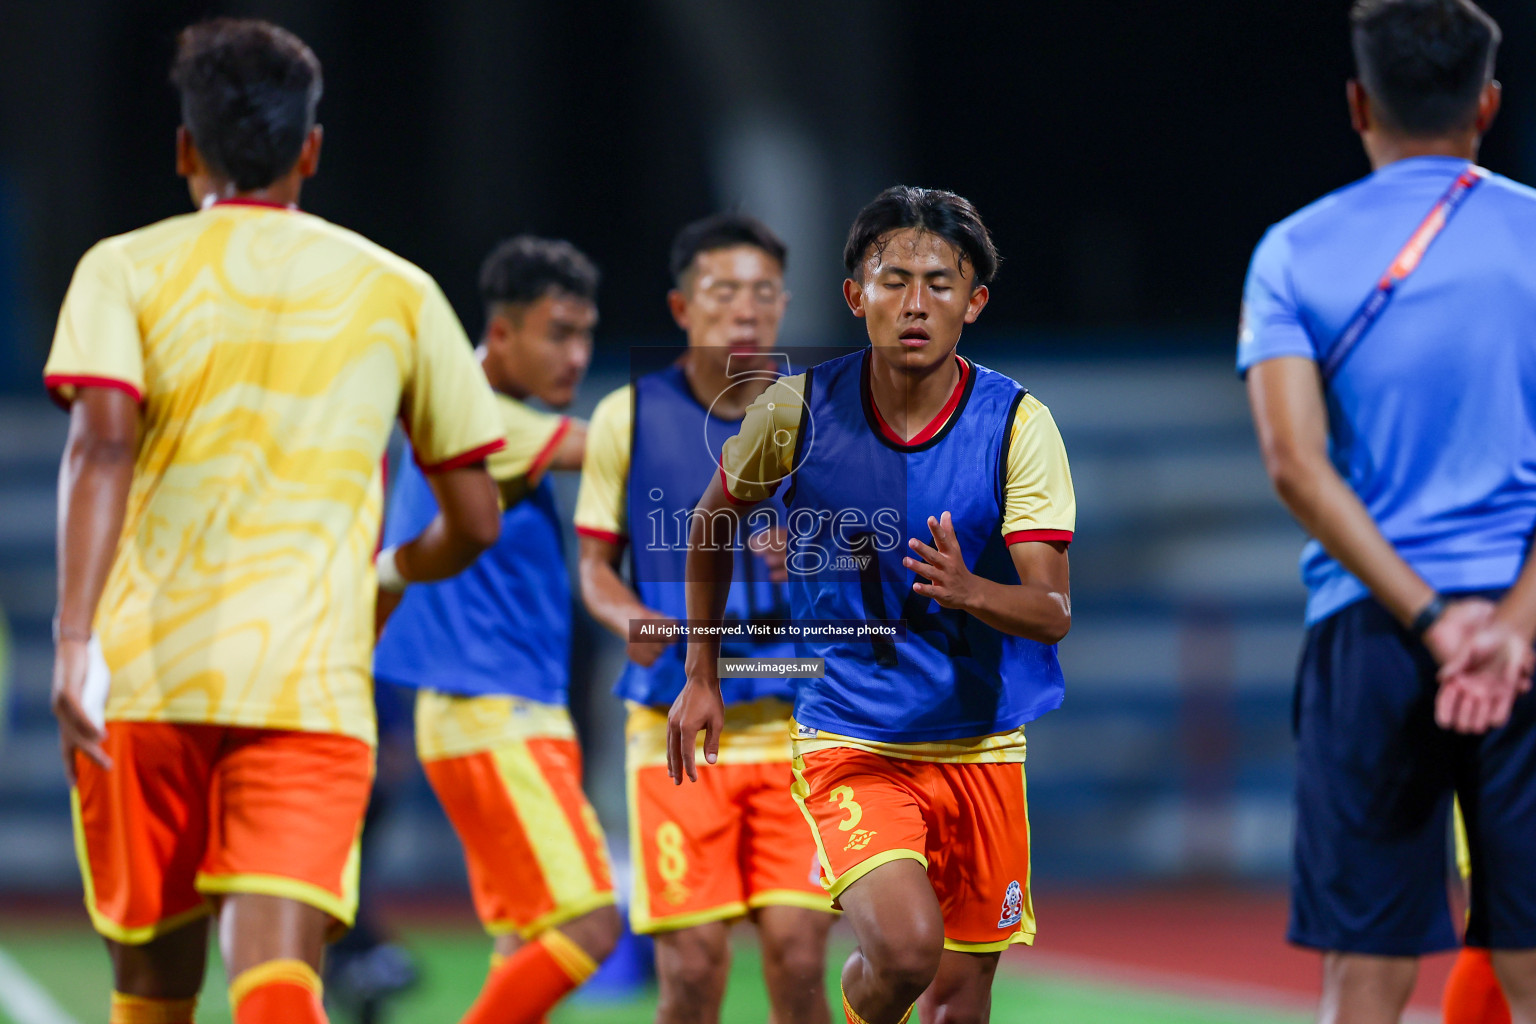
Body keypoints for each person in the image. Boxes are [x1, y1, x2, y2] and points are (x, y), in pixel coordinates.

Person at [45, 19, 505, 1024]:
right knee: (276, 961)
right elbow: (476, 515)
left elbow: (102, 446)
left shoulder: (120, 268)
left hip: (147, 674)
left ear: (183, 150)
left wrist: (74, 637)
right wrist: (387, 575)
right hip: (309, 682)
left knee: (153, 983)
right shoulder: (399, 290)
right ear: (312, 150)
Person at [668, 186, 1076, 1024]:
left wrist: (972, 592)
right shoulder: (796, 410)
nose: (915, 303)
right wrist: (699, 673)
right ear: (856, 297)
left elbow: (1051, 611)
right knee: (902, 952)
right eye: (893, 281)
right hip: (854, 739)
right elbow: (710, 524)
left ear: (976, 302)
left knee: (959, 1006)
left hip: (981, 744)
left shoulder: (1017, 426)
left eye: (939, 282)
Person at [1238, 1, 1536, 1021]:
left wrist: (1429, 618)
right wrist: (1502, 629)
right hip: (1528, 634)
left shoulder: (1291, 251)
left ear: (1358, 103)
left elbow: (1294, 464)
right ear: (1487, 104)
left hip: (1369, 631)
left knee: (1365, 974)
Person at [574, 214, 834, 1024]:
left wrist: (827, 557)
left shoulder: (825, 421)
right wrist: (637, 622)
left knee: (797, 960)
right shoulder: (629, 417)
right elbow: (594, 568)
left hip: (797, 723)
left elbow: (877, 567)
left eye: (763, 294)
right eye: (724, 293)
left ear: (785, 306)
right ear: (682, 308)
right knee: (692, 969)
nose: (746, 311)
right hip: (674, 729)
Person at [373, 235, 621, 1024]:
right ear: (503, 333)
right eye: (558, 333)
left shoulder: (457, 410)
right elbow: (630, 449)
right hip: (495, 715)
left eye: (586, 335)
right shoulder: (486, 419)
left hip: (487, 712)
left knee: (526, 938)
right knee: (590, 924)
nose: (577, 356)